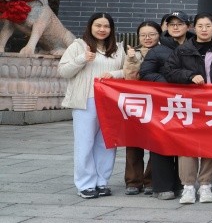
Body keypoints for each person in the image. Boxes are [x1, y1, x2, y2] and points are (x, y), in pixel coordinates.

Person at [163, 13, 212, 204]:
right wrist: (189, 76)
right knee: (187, 144)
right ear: (194, 27)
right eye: (200, 26)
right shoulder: (183, 50)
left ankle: (206, 184)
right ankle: (188, 186)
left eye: (208, 26)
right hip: (189, 104)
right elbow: (169, 71)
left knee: (211, 144)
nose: (204, 29)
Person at [58, 13, 125, 198]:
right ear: (90, 26)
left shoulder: (118, 49)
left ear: (111, 29)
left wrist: (115, 74)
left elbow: (128, 72)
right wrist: (82, 59)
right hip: (86, 100)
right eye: (98, 25)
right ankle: (85, 184)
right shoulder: (78, 46)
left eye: (106, 26)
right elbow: (63, 71)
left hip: (110, 102)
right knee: (85, 143)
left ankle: (102, 182)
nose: (102, 29)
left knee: (107, 143)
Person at [140, 11, 192, 200]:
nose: (175, 27)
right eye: (172, 24)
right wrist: (167, 84)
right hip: (163, 103)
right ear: (166, 27)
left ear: (188, 26)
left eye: (180, 24)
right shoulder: (158, 49)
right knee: (161, 143)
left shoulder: (195, 46)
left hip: (189, 104)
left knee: (184, 144)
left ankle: (181, 183)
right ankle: (162, 186)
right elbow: (145, 73)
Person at [122, 21, 159, 195]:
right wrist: (131, 60)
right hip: (136, 102)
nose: (147, 38)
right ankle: (133, 181)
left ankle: (151, 179)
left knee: (156, 142)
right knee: (133, 141)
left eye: (151, 34)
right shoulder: (132, 52)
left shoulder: (165, 51)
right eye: (143, 35)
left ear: (159, 35)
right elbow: (129, 77)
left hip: (158, 102)